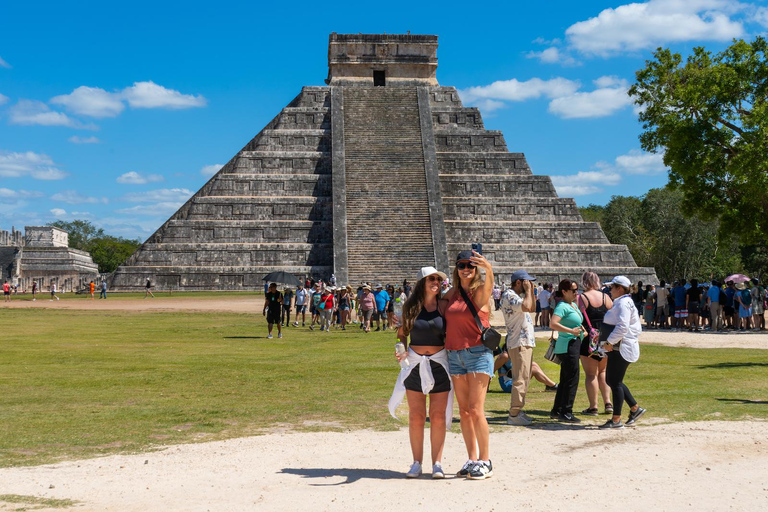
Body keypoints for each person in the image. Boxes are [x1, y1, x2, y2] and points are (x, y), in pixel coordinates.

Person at [389, 267, 451, 479]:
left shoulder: (444, 306)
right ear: (421, 282)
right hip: (415, 364)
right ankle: (416, 462)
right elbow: (401, 335)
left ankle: (437, 463)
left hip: (439, 364)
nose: (436, 282)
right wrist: (401, 350)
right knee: (416, 417)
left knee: (437, 416)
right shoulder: (409, 307)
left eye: (438, 279)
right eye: (431, 278)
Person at [444, 249, 495, 480]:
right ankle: (472, 458)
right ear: (456, 268)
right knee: (464, 411)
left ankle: (485, 460)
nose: (466, 269)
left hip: (477, 353)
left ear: (476, 270)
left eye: (470, 266)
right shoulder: (452, 293)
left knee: (476, 409)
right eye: (462, 265)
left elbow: (489, 284)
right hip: (454, 355)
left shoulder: (479, 292)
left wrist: (487, 267)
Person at [599, 276, 646, 429]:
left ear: (619, 288)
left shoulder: (624, 303)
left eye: (611, 288)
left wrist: (608, 342)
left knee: (614, 382)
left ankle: (616, 419)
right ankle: (634, 408)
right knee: (613, 381)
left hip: (621, 346)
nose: (609, 290)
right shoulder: (623, 302)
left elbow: (622, 327)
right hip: (618, 346)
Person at [499, 269, 537, 426]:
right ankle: (514, 413)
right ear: (519, 282)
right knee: (520, 378)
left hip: (524, 341)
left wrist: (532, 292)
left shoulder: (516, 296)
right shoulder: (509, 295)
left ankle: (519, 410)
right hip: (518, 342)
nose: (528, 285)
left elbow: (532, 307)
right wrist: (528, 292)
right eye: (526, 282)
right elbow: (527, 307)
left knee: (525, 377)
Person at [549, 279, 586, 422]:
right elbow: (553, 323)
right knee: (572, 379)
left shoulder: (572, 305)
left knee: (565, 379)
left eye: (577, 289)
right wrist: (571, 330)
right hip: (568, 345)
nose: (576, 292)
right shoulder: (562, 306)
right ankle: (566, 411)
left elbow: (574, 321)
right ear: (564, 291)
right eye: (573, 290)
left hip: (571, 344)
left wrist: (580, 330)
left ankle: (557, 409)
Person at [577, 271, 614, 416]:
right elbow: (612, 315)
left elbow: (577, 317)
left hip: (589, 337)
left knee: (591, 374)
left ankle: (593, 407)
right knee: (603, 371)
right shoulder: (606, 297)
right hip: (604, 338)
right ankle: (608, 402)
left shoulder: (582, 298)